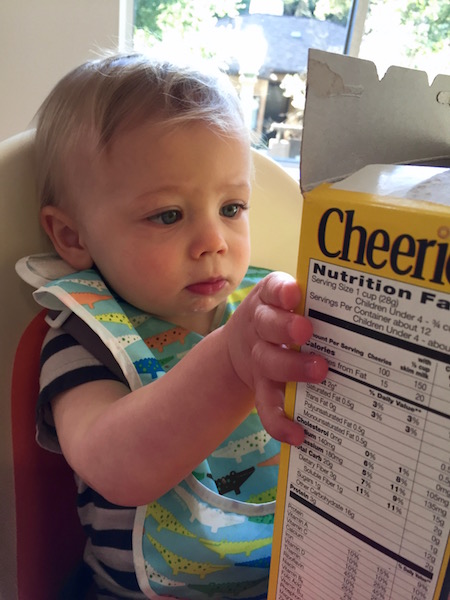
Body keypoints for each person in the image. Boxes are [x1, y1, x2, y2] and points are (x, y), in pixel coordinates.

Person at [25, 52, 328, 599]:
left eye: (232, 208)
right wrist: (231, 363)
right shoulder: (86, 339)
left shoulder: (260, 311)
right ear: (72, 236)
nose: (214, 242)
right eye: (168, 215)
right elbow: (116, 468)